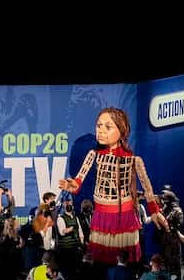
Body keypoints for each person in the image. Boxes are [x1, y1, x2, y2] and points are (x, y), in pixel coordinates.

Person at [58, 108, 156, 264]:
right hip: (101, 216)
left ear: (122, 130)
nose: (101, 131)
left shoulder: (133, 160)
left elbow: (148, 189)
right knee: (102, 260)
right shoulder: (93, 155)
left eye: (108, 127)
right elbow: (79, 179)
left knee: (124, 260)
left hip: (124, 217)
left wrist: (155, 211)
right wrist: (73, 185)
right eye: (99, 126)